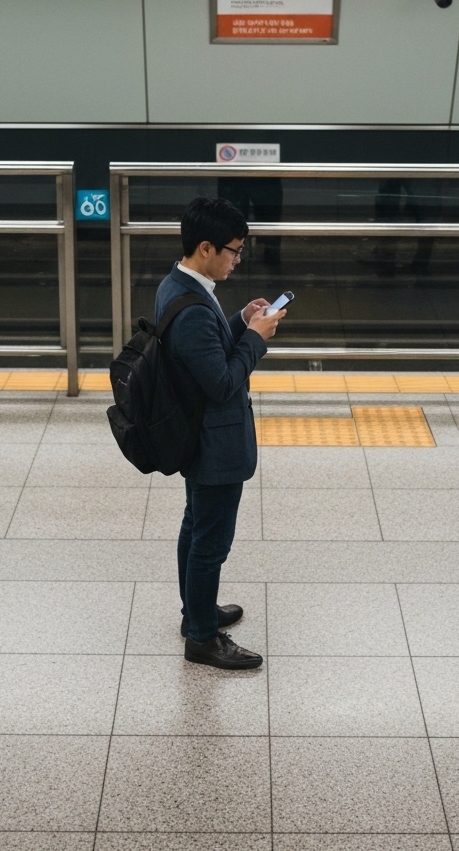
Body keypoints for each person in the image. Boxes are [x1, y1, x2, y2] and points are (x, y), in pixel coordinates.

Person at [155, 196, 286, 669]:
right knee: (210, 540)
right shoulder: (191, 306)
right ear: (206, 247)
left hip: (199, 435)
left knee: (196, 525)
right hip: (214, 442)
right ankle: (203, 639)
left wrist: (239, 322)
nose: (237, 258)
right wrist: (256, 339)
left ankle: (197, 612)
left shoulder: (181, 284)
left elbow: (204, 351)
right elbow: (223, 382)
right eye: (234, 250)